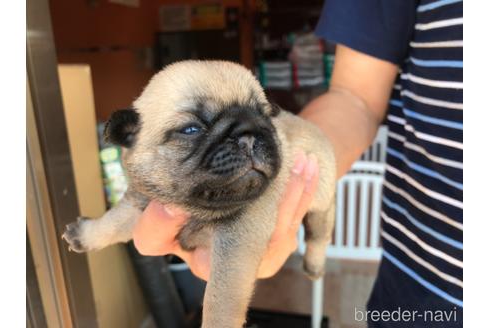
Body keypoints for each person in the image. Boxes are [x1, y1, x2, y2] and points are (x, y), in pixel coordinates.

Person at [133, 0, 463, 326]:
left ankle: (317, 250)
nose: (244, 142)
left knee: (322, 222)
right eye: (192, 129)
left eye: (257, 118)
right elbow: (355, 98)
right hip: (419, 296)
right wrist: (291, 183)